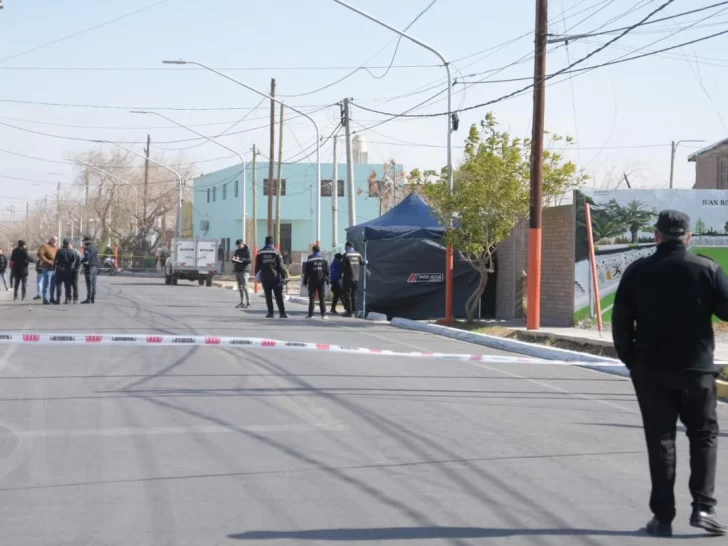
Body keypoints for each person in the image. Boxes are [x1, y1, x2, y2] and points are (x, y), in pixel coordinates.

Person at [612, 209, 728, 538]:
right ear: (689, 237)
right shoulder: (707, 268)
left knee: (660, 439)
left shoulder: (637, 271)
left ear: (656, 236)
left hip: (650, 371)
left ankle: (662, 518)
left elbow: (621, 324)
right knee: (704, 436)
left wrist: (632, 362)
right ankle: (704, 507)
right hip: (697, 371)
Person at [255, 236, 287, 318]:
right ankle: (282, 313)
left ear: (265, 242)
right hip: (275, 277)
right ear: (272, 243)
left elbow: (257, 266)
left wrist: (257, 276)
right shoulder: (276, 252)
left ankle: (270, 313)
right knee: (278, 296)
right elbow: (281, 266)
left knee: (268, 296)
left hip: (265, 277)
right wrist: (284, 276)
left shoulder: (260, 252)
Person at [303, 245, 329, 319]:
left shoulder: (310, 259)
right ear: (319, 251)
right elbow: (327, 271)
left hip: (312, 281)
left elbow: (306, 272)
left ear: (313, 251)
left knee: (312, 297)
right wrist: (328, 281)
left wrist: (305, 282)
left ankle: (311, 314)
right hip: (321, 281)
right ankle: (323, 315)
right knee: (322, 298)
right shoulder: (323, 259)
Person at [341, 241, 363, 318]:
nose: (345, 248)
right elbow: (363, 262)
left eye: (345, 247)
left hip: (348, 278)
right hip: (356, 278)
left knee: (347, 295)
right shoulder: (358, 254)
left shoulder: (346, 255)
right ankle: (354, 311)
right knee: (354, 295)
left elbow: (342, 267)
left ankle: (349, 312)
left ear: (348, 246)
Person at [54, 239, 79, 304]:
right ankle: (67, 299)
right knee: (67, 285)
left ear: (63, 244)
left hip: (60, 269)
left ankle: (58, 299)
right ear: (68, 244)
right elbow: (74, 261)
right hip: (68, 269)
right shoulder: (72, 251)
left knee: (59, 285)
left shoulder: (59, 251)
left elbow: (56, 261)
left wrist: (54, 268)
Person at [37, 236, 58, 304]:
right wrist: (47, 261)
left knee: (53, 284)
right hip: (47, 268)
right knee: (47, 284)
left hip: (54, 269)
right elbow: (40, 254)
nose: (55, 241)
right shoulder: (45, 246)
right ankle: (45, 299)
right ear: (50, 239)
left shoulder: (56, 248)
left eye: (56, 240)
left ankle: (52, 298)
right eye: (53, 240)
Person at [232, 239, 252, 309]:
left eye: (239, 245)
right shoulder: (237, 251)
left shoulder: (247, 250)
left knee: (245, 286)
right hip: (237, 270)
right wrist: (234, 259)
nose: (238, 246)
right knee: (240, 287)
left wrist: (241, 259)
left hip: (244, 271)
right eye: (237, 246)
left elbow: (250, 260)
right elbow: (233, 259)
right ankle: (242, 302)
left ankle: (248, 302)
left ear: (242, 244)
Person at [81, 236, 100, 304]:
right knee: (94, 283)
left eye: (84, 241)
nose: (83, 242)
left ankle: (88, 299)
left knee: (89, 283)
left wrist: (81, 261)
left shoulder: (87, 248)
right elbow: (98, 258)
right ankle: (92, 298)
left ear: (86, 241)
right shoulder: (95, 248)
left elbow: (87, 257)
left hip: (89, 267)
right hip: (95, 267)